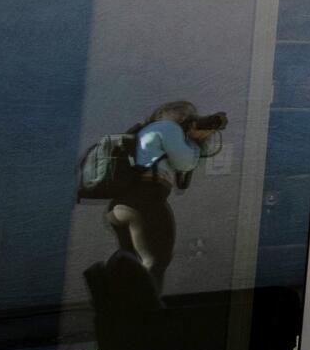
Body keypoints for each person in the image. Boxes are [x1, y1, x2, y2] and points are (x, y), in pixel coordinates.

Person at [96, 100, 227, 294]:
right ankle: (146, 311)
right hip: (146, 201)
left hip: (122, 205)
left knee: (131, 259)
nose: (189, 119)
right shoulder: (167, 128)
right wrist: (194, 141)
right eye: (186, 116)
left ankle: (112, 299)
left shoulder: (147, 132)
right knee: (157, 259)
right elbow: (186, 163)